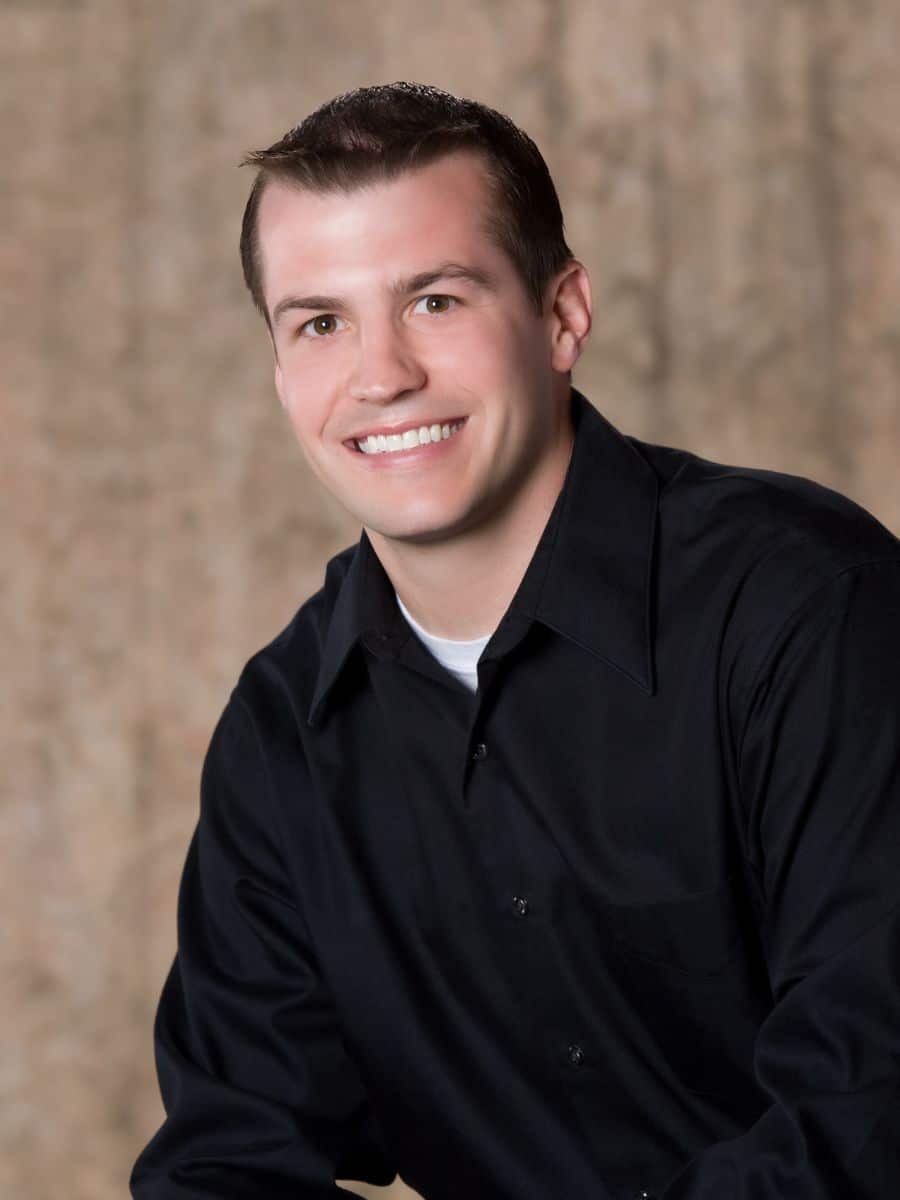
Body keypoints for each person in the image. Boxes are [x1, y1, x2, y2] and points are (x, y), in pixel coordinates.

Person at [130, 82, 900, 1200]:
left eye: (435, 301)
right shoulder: (283, 734)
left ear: (563, 314)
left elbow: (869, 1118)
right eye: (320, 322)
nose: (381, 374)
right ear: (280, 370)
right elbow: (230, 1164)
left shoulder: (808, 609)